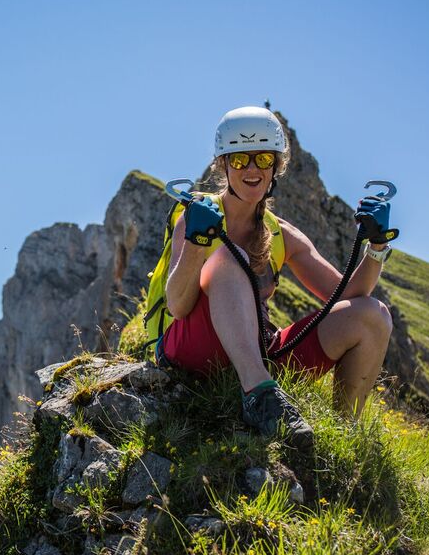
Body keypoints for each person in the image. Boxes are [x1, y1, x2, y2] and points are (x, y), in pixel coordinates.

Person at [158, 106, 396, 443]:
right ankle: (259, 396)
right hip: (193, 351)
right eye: (240, 160)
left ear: (276, 167)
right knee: (232, 257)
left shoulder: (283, 234)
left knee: (373, 315)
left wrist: (376, 246)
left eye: (263, 159)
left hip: (259, 351)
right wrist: (198, 242)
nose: (252, 169)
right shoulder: (196, 216)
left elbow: (350, 297)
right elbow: (178, 306)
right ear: (223, 165)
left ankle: (346, 433)